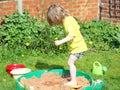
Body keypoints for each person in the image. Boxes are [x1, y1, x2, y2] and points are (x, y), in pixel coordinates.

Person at [47, 4, 88, 86]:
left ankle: (73, 81)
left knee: (70, 62)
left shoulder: (67, 22)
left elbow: (71, 36)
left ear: (56, 17)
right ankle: (72, 77)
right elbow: (77, 27)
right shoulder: (69, 18)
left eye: (54, 21)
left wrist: (60, 41)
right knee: (72, 62)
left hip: (78, 47)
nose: (55, 23)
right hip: (77, 46)